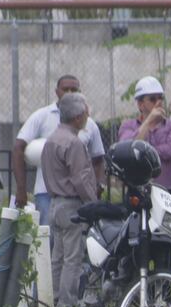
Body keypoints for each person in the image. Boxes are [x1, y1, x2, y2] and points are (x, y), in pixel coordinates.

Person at [12, 74, 106, 224]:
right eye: (65, 89)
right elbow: (18, 148)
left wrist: (97, 187)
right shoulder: (41, 116)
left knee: (72, 240)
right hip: (46, 193)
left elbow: (98, 159)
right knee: (49, 240)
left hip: (77, 196)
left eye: (73, 90)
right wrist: (21, 189)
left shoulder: (89, 123)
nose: (69, 93)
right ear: (57, 91)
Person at [40, 93, 99, 307]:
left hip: (54, 203)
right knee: (73, 259)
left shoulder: (52, 139)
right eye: (85, 112)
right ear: (77, 116)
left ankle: (52, 302)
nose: (87, 116)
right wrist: (93, 204)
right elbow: (80, 179)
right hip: (72, 205)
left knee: (58, 256)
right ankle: (67, 305)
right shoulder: (73, 143)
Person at [116, 76, 171, 193]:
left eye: (160, 98)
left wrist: (142, 153)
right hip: (136, 189)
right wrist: (148, 122)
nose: (158, 102)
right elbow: (128, 152)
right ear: (140, 104)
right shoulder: (128, 126)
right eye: (153, 99)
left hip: (165, 190)